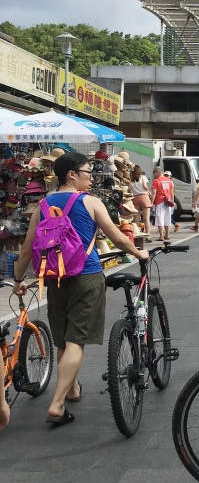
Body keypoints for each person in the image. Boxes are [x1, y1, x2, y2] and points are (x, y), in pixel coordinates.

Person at [11, 151, 148, 426]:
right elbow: (117, 237)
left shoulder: (44, 205)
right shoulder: (90, 202)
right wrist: (139, 253)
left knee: (62, 339)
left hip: (56, 279)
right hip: (87, 277)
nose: (91, 177)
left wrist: (17, 280)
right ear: (71, 174)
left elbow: (26, 249)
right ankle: (57, 404)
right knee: (76, 341)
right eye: (87, 172)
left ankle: (71, 389)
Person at [151, 167, 174, 242]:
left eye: (154, 172)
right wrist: (172, 201)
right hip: (168, 201)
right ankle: (167, 234)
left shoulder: (156, 181)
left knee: (159, 218)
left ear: (158, 172)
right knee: (167, 218)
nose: (153, 174)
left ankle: (161, 236)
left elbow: (154, 193)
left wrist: (151, 203)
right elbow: (171, 192)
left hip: (160, 201)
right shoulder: (169, 180)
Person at [130, 164, 152, 237]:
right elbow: (145, 186)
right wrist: (149, 191)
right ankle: (147, 234)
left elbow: (129, 189)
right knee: (146, 218)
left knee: (136, 219)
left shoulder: (131, 179)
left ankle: (136, 234)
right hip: (144, 197)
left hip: (134, 198)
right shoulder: (143, 177)